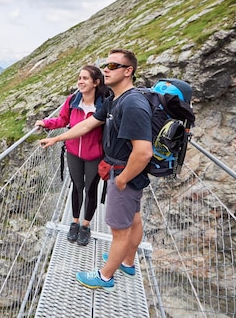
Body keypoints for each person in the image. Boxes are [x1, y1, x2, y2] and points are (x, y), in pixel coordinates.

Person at [39, 49, 153, 291]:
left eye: (113, 65)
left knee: (119, 230)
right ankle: (127, 262)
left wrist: (122, 179)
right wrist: (56, 139)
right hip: (124, 172)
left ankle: (105, 276)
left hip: (123, 173)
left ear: (128, 71)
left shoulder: (131, 103)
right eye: (106, 65)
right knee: (133, 219)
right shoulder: (115, 100)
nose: (107, 69)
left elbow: (143, 152)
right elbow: (87, 124)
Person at [35, 65, 109, 246]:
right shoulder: (73, 100)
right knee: (76, 187)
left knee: (90, 190)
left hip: (94, 155)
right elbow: (63, 120)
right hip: (74, 152)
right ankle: (75, 222)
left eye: (85, 78)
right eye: (79, 78)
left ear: (96, 82)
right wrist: (46, 123)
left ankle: (86, 225)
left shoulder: (104, 104)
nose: (80, 81)